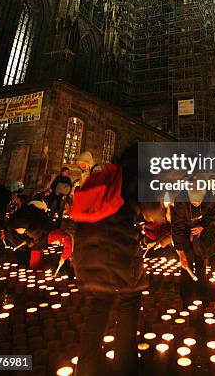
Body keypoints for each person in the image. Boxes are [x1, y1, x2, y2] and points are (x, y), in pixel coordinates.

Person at [72, 144, 147, 376]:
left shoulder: (106, 175)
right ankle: (125, 365)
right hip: (117, 249)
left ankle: (86, 368)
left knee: (100, 302)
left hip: (86, 251)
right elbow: (154, 212)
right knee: (129, 299)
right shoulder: (138, 176)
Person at [171, 184, 215, 295]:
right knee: (187, 260)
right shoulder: (180, 201)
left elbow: (212, 214)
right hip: (185, 230)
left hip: (202, 231)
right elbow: (177, 227)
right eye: (194, 202)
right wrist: (181, 253)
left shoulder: (210, 197)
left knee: (201, 258)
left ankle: (201, 290)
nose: (196, 204)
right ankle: (186, 293)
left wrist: (202, 226)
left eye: (198, 201)